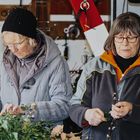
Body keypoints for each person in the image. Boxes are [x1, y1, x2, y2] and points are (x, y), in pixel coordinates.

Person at [69, 12, 140, 140]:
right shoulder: (94, 67)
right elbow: (74, 106)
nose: (125, 43)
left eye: (131, 37)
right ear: (112, 38)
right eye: (119, 37)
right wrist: (86, 114)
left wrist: (132, 110)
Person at [0, 7, 72, 125]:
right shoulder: (6, 61)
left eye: (17, 43)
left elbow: (64, 105)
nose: (12, 49)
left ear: (31, 40)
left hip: (42, 135)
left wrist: (27, 110)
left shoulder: (56, 63)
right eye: (8, 44)